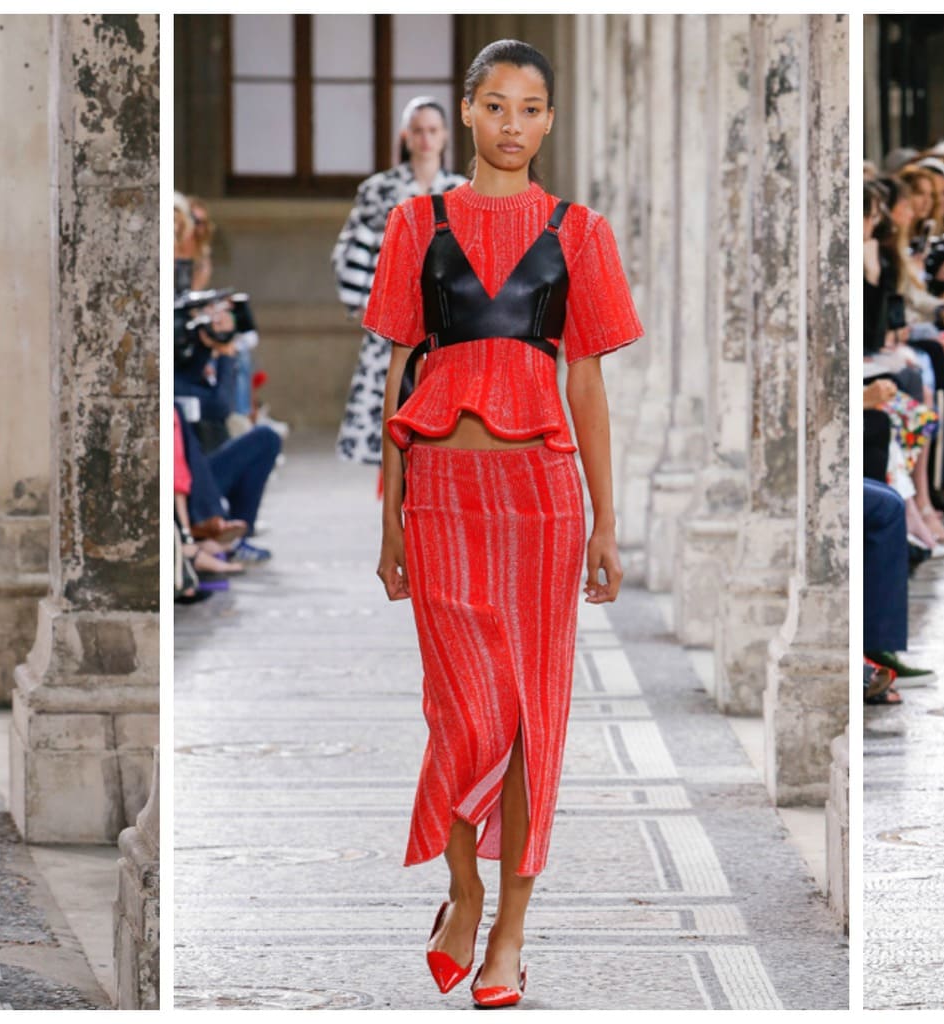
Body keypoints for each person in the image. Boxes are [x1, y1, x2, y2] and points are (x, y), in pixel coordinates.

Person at [363, 38, 638, 1010]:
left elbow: (587, 381)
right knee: (459, 711)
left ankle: (509, 930)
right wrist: (387, 514)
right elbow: (398, 369)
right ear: (467, 114)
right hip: (439, 494)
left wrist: (608, 521)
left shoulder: (579, 231)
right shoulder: (414, 221)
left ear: (548, 120)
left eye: (529, 107)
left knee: (530, 720)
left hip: (543, 503)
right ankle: (463, 886)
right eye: (494, 105)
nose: (511, 123)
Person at [332, 96, 468, 471]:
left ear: (445, 137)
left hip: (450, 320)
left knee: (445, 423)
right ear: (406, 136)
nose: (426, 139)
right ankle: (396, 515)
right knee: (392, 416)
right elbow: (352, 246)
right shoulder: (378, 189)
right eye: (418, 131)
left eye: (433, 131)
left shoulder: (461, 190)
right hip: (393, 315)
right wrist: (361, 301)